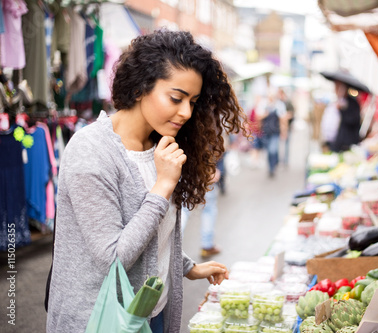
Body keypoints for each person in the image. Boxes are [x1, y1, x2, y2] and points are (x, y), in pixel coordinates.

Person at [46, 29, 248, 333]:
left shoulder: (160, 146)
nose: (186, 112)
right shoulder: (91, 150)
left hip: (151, 315)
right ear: (141, 87)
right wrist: (162, 187)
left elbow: (153, 233)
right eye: (176, 98)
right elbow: (113, 259)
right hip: (100, 321)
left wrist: (187, 267)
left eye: (192, 101)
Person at [256, 91, 287, 177]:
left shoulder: (279, 105)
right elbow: (258, 117)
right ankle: (271, 166)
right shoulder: (263, 104)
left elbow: (282, 119)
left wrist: (284, 131)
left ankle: (273, 166)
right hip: (266, 132)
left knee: (273, 149)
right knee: (269, 151)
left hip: (275, 132)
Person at [329, 81, 361, 152]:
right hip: (338, 140)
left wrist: (342, 110)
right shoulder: (338, 102)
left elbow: (353, 120)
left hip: (348, 141)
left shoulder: (353, 103)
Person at [277, 88, 294, 166]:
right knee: (277, 144)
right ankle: (278, 160)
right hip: (278, 127)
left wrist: (284, 116)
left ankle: (285, 161)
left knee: (286, 144)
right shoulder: (277, 103)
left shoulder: (288, 102)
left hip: (287, 127)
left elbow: (292, 113)